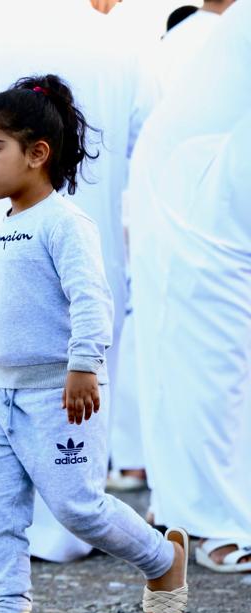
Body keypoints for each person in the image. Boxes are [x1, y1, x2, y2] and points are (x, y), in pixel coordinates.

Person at [0, 75, 190, 613]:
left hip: (61, 391)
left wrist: (84, 365)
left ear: (37, 154)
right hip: (4, 395)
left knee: (77, 508)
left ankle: (163, 557)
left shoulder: (64, 223)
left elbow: (91, 299)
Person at [0, 0, 156, 562]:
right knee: (74, 377)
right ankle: (61, 525)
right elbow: (146, 138)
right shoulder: (122, 43)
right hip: (89, 221)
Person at [129, 1, 251, 573]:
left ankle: (185, 508)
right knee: (211, 366)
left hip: (215, 183)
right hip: (194, 198)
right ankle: (218, 527)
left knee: (208, 366)